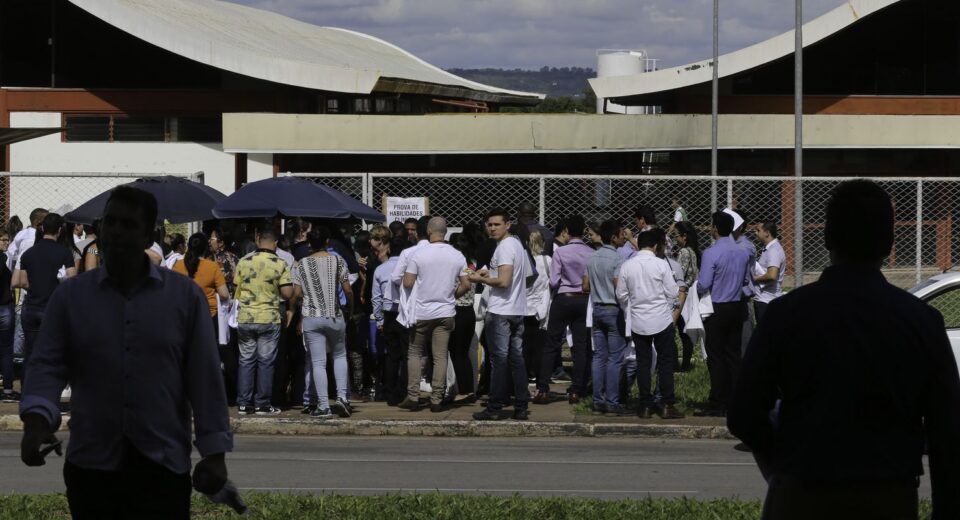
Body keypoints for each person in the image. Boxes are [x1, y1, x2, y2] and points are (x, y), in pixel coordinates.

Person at [729, 180, 960, 519]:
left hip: (802, 493)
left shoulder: (786, 315)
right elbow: (948, 434)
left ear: (826, 239)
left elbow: (743, 415)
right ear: (889, 243)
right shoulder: (922, 322)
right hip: (888, 496)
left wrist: (785, 462)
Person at [19, 186, 232, 519]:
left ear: (148, 236)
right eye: (110, 221)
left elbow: (204, 377)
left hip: (161, 464)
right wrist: (36, 420)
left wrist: (214, 453)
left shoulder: (183, 298)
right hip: (91, 464)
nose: (116, 231)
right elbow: (47, 364)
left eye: (128, 224)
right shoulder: (72, 298)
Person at [400, 217, 470, 412]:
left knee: (414, 352)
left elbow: (407, 282)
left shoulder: (419, 254)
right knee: (440, 356)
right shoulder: (457, 255)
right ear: (445, 231)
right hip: (445, 312)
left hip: (422, 312)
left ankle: (413, 396)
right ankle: (437, 398)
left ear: (429, 231)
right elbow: (466, 284)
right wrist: (451, 295)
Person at [470, 208, 531, 421]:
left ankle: (494, 406)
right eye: (490, 224)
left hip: (501, 310)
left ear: (508, 224)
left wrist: (481, 280)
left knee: (499, 360)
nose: (493, 228)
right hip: (516, 310)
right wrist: (491, 273)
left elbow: (504, 282)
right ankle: (521, 405)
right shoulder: (517, 245)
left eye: (497, 224)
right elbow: (508, 276)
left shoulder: (505, 247)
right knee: (516, 359)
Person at [616, 229, 684, 419]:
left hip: (638, 320)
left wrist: (631, 307)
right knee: (665, 362)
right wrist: (669, 307)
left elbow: (621, 294)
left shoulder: (627, 266)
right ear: (655, 246)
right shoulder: (661, 265)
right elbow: (672, 292)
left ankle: (645, 405)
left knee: (643, 363)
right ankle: (666, 404)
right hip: (661, 319)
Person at [292, 225, 353, 419]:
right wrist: (349, 308)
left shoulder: (301, 264)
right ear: (327, 242)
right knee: (339, 356)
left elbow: (297, 293)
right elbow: (348, 289)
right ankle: (342, 398)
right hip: (334, 314)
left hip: (311, 316)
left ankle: (323, 405)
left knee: (318, 362)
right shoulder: (337, 260)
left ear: (310, 243)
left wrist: (295, 309)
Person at [233, 221, 293, 415]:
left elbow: (237, 288)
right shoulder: (280, 263)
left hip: (246, 318)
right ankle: (262, 403)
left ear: (258, 240)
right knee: (266, 361)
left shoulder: (243, 261)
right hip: (269, 317)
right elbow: (287, 293)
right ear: (275, 243)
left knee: (246, 360)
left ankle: (243, 403)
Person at [695, 211, 751, 417]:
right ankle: (735, 400)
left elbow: (704, 284)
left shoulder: (711, 253)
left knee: (716, 356)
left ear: (715, 229)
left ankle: (718, 401)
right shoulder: (743, 252)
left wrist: (697, 289)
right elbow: (746, 281)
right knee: (733, 355)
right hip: (737, 306)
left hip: (717, 307)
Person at [13, 213, 76, 386]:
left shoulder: (29, 254)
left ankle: (27, 388)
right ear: (60, 229)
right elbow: (72, 279)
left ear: (42, 228)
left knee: (30, 351)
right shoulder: (64, 253)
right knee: (54, 351)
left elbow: (22, 282)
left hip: (31, 307)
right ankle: (48, 389)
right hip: (53, 307)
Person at [540, 214, 592, 404]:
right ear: (584, 231)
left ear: (567, 231)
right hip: (583, 300)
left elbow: (553, 280)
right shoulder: (590, 252)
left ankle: (543, 388)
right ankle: (576, 390)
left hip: (563, 298)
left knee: (552, 343)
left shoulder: (560, 252)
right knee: (580, 346)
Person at [585, 219, 627, 415]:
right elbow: (620, 287)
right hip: (613, 308)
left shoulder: (592, 257)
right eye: (620, 235)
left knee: (599, 356)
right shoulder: (618, 259)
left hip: (597, 308)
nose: (623, 238)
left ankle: (597, 400)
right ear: (613, 237)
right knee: (615, 358)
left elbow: (584, 286)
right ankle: (612, 401)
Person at [172, 233, 231, 339]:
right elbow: (224, 294)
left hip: (184, 315)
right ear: (205, 248)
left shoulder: (178, 265)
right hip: (208, 316)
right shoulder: (212, 267)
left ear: (188, 246)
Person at [373, 236, 407, 406]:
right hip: (406, 314)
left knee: (392, 355)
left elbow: (376, 298)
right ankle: (403, 391)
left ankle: (390, 390)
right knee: (408, 354)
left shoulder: (380, 269)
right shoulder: (409, 267)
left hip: (389, 315)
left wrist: (379, 319)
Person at [448, 232, 478, 402]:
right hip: (469, 312)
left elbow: (459, 288)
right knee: (463, 353)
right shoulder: (471, 266)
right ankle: (468, 389)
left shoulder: (456, 269)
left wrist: (449, 296)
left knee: (457, 353)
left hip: (457, 311)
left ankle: (464, 390)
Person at [525, 230, 552, 402]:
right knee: (540, 349)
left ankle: (524, 381)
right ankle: (541, 384)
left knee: (524, 349)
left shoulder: (526, 260)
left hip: (523, 308)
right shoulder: (547, 261)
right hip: (541, 309)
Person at [674, 221, 701, 372]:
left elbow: (679, 273)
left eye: (676, 235)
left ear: (684, 237)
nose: (675, 239)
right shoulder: (692, 250)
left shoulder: (684, 252)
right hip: (691, 294)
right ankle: (685, 364)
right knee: (685, 332)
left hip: (683, 294)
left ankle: (682, 366)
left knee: (680, 330)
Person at [751, 222, 785, 324]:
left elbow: (772, 275)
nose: (756, 233)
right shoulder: (769, 248)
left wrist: (753, 279)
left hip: (767, 301)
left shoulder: (773, 250)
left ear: (767, 233)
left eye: (758, 230)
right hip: (764, 299)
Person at [0, 231, 16, 402]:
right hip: (3, 307)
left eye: (7, 239)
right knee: (5, 349)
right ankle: (8, 389)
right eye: (3, 240)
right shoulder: (2, 258)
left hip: (5, 307)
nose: (6, 243)